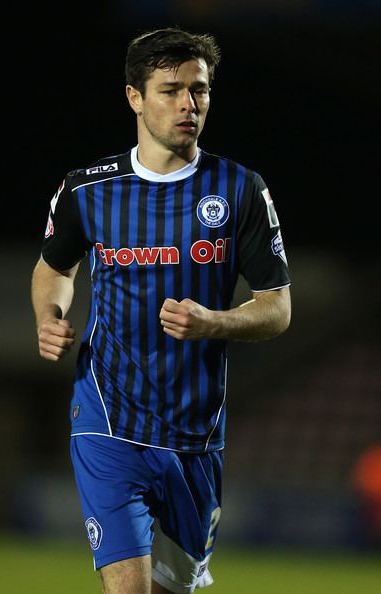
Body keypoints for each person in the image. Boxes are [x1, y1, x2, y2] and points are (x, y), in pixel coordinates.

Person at [31, 26, 291, 594]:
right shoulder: (87, 190)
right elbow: (54, 268)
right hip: (108, 422)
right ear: (134, 97)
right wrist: (49, 317)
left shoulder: (241, 189)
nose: (188, 105)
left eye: (198, 90)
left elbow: (277, 308)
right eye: (171, 90)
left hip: (196, 438)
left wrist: (214, 322)